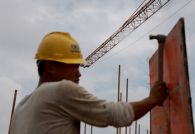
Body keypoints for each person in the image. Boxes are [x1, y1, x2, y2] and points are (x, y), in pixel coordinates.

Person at [10, 32, 168, 134]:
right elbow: (117, 115)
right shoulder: (60, 91)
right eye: (73, 67)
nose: (78, 74)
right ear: (50, 67)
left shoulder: (21, 108)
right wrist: (152, 99)